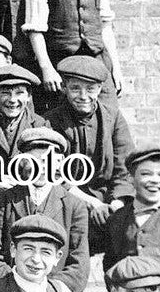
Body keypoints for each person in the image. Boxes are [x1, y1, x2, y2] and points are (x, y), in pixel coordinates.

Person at [0, 128, 90, 292]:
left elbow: (79, 265)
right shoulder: (4, 200)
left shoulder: (74, 206)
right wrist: (14, 287)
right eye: (34, 161)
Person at [44, 54, 134, 225]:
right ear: (64, 88)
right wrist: (91, 203)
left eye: (90, 89)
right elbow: (54, 175)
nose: (83, 96)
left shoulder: (112, 117)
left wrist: (118, 202)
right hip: (67, 198)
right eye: (75, 88)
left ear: (100, 88)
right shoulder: (50, 122)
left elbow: (124, 166)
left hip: (107, 196)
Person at [98, 146, 160, 278]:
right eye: (146, 174)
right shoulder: (117, 220)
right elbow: (110, 266)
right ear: (130, 178)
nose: (155, 180)